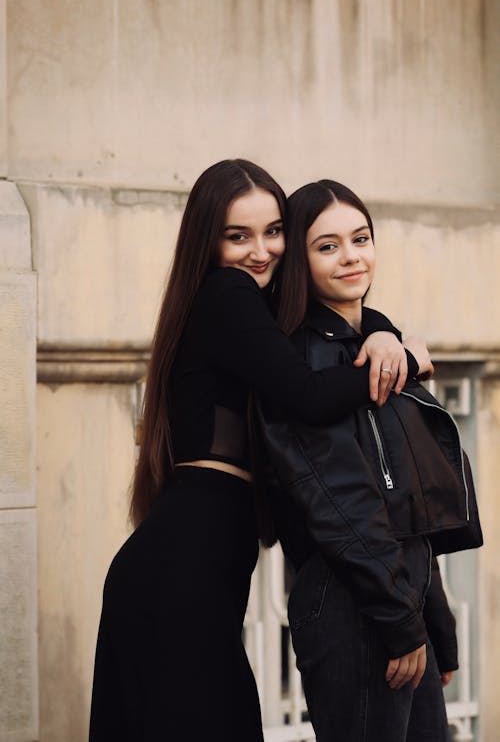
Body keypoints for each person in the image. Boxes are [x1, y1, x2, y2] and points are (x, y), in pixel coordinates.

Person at [88, 160, 424, 741]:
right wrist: (406, 363)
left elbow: (330, 320)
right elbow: (308, 396)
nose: (261, 251)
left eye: (273, 231)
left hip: (194, 565)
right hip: (179, 568)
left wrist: (382, 331)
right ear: (208, 240)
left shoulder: (251, 310)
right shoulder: (227, 292)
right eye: (238, 235)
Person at [257, 179, 481, 742]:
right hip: (349, 600)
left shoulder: (374, 350)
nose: (352, 256)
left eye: (361, 238)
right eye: (328, 245)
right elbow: (342, 501)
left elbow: (405, 502)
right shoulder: (305, 363)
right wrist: (403, 622)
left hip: (396, 594)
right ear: (300, 262)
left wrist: (435, 620)